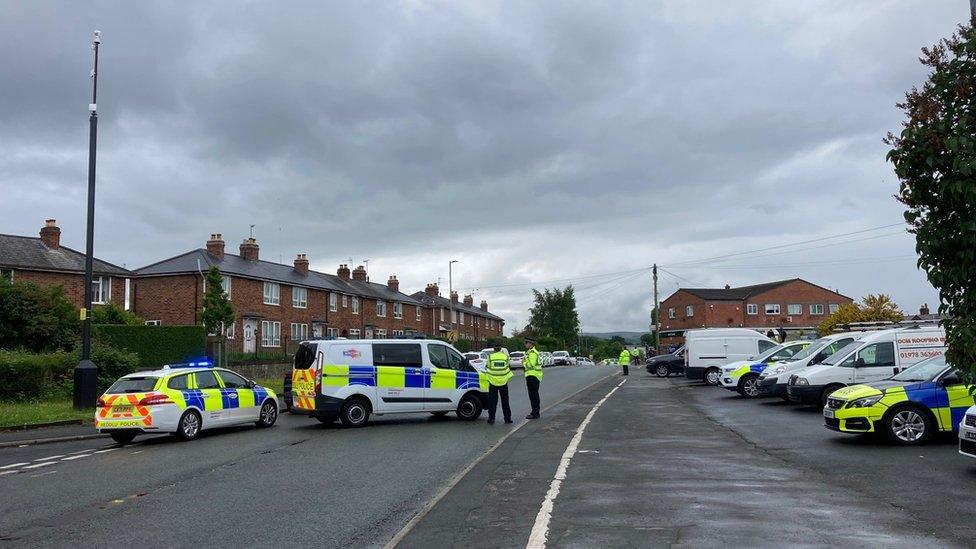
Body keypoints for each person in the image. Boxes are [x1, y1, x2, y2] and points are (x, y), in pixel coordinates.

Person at [485, 344, 513, 424]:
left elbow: (488, 367)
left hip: (493, 381)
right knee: (505, 401)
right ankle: (507, 418)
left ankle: (491, 418)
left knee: (492, 401)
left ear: (494, 349)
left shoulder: (490, 357)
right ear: (500, 349)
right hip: (503, 381)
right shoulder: (505, 357)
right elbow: (507, 367)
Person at [523, 339, 542, 419]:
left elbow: (531, 364)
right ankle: (535, 411)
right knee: (534, 395)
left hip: (532, 376)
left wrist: (524, 363)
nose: (525, 344)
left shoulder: (532, 353)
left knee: (533, 395)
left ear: (531, 344)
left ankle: (535, 413)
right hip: (534, 375)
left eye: (526, 343)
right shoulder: (531, 352)